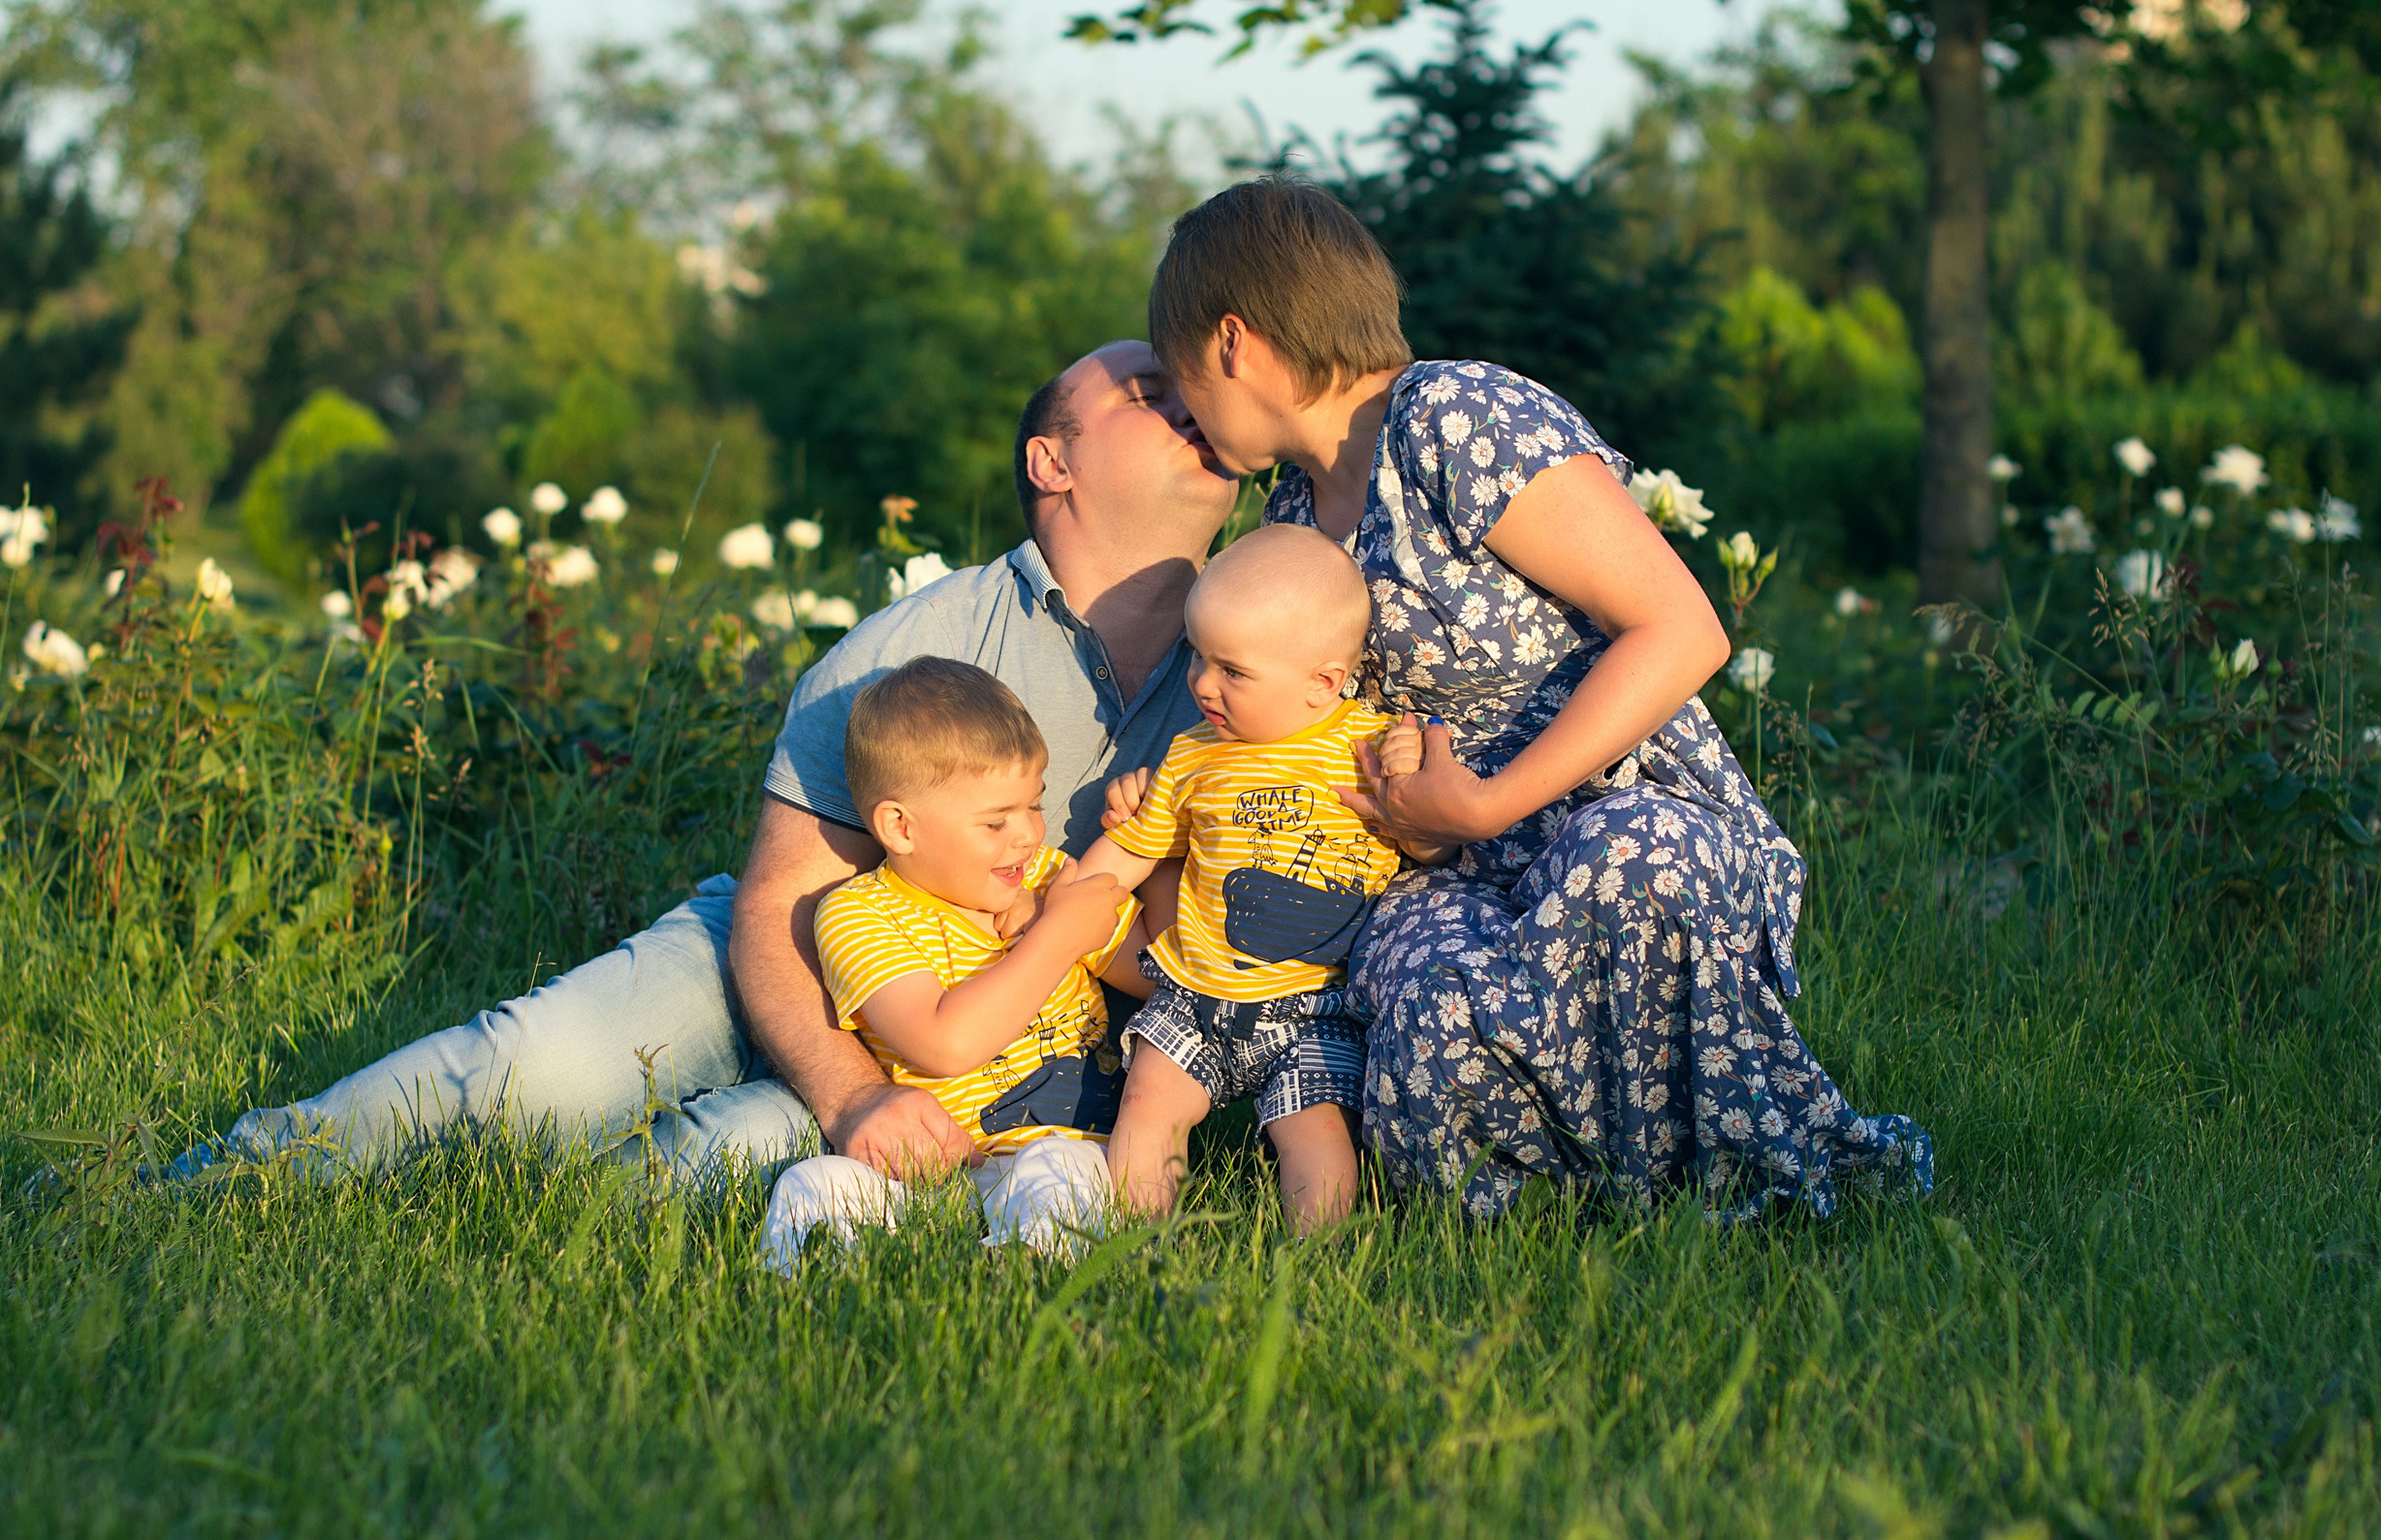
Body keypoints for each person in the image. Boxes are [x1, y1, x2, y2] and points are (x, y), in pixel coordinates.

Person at [169, 340, 1235, 1185]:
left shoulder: (1254, 661)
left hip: (997, 1042)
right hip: (794, 960)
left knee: (719, 1163)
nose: (1189, 396)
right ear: (1054, 461)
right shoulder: (908, 648)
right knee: (530, 1071)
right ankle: (204, 1186)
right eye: (1149, 391)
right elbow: (785, 905)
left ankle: (550, 1226)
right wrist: (852, 1095)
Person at [1148, 178, 1933, 1220]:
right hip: (1451, 865)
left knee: (1638, 865)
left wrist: (1487, 801)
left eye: (1179, 375)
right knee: (1419, 1008)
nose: (1184, 411)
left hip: (1607, 808)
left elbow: (1682, 628)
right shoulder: (1294, 508)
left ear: (1235, 343)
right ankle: (1581, 1210)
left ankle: (1716, 1196)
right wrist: (1413, 822)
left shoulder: (1453, 417)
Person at [1075, 526, 1442, 1231]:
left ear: (1323, 683)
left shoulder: (1365, 749)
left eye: (1232, 671)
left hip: (1312, 1003)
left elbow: (1426, 851)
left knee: (1317, 1135)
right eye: (1198, 657)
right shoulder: (1194, 754)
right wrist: (1068, 897)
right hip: (1194, 992)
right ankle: (1131, 1235)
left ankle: (1318, 1256)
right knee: (1149, 1102)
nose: (1202, 684)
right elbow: (1131, 853)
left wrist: (1411, 771)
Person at [760, 659, 1143, 1271]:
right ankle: (819, 1288)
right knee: (815, 1182)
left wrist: (1150, 840)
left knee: (1063, 1171)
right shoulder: (859, 914)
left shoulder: (1048, 878)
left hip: (1067, 1152)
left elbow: (1158, 976)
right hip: (927, 1176)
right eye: (995, 821)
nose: (1025, 835)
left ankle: (1024, 1275)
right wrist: (1057, 936)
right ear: (899, 827)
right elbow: (943, 1043)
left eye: (1033, 806)